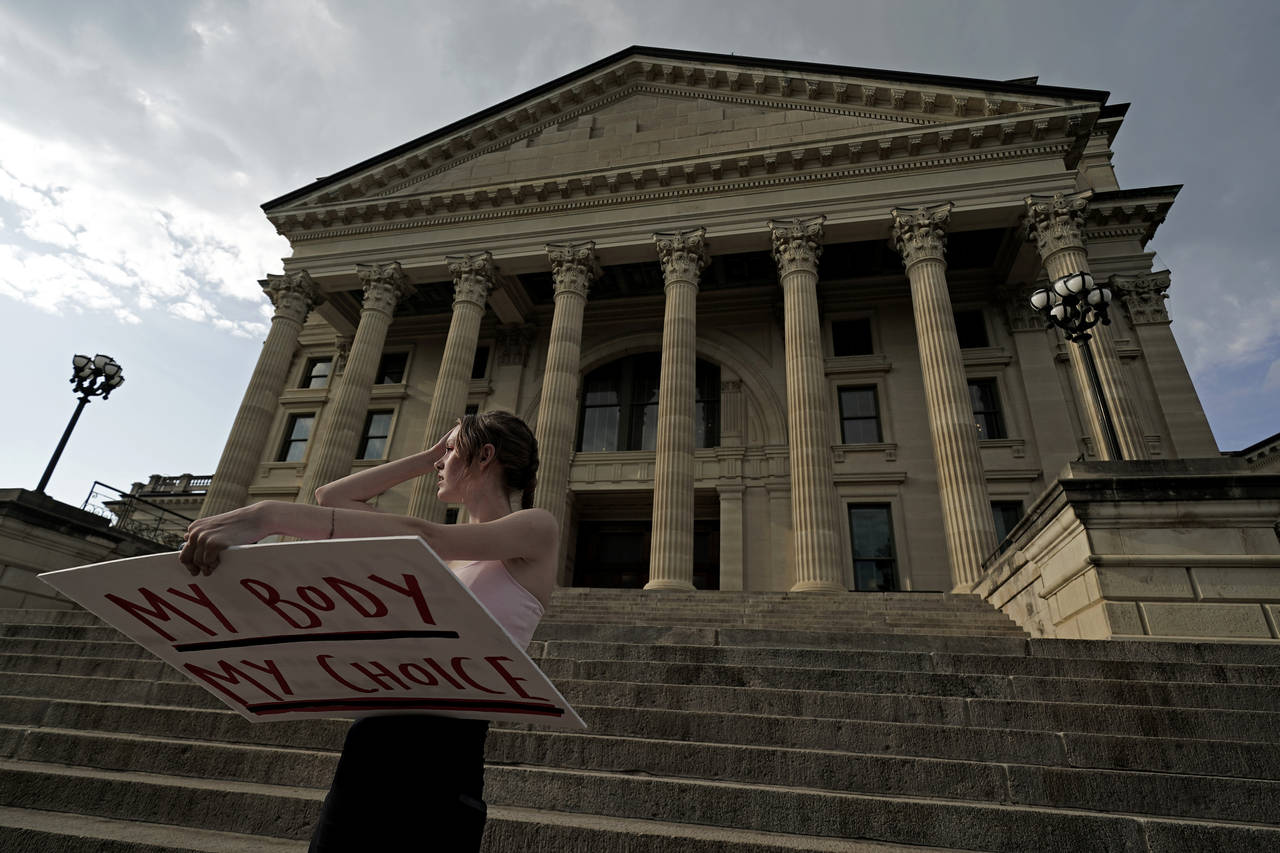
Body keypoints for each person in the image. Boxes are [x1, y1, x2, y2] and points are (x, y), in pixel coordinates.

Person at [179, 411, 557, 852]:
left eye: (450, 450)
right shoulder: (438, 553)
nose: (439, 462)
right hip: (372, 738)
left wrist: (269, 516)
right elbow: (332, 496)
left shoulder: (536, 528)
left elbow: (428, 535)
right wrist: (435, 454)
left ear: (486, 455)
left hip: (443, 753)